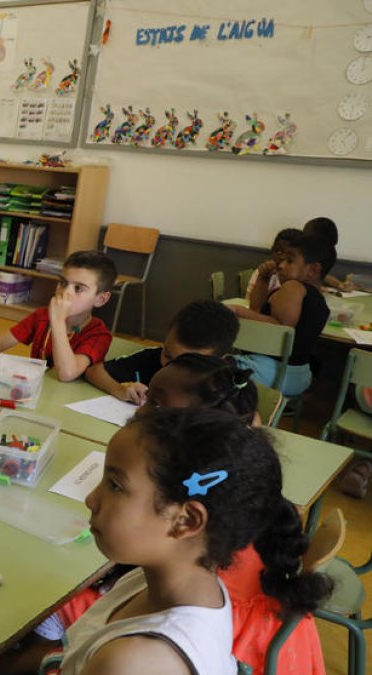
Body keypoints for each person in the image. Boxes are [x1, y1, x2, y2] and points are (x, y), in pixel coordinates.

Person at [44, 408, 331, 675]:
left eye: (115, 485)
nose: (91, 499)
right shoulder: (172, 581)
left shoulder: (135, 662)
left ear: (186, 521)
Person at [0, 251, 116, 382]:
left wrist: (58, 321)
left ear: (101, 299)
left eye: (78, 288)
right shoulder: (41, 316)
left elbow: (67, 373)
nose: (65, 292)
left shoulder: (99, 335)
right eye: (63, 283)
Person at [231, 230, 333, 396]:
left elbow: (281, 328)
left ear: (312, 270)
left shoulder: (293, 287)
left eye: (290, 260)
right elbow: (257, 311)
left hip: (272, 371)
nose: (280, 264)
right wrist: (263, 279)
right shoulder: (319, 300)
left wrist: (236, 310)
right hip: (298, 374)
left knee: (206, 367)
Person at [86, 300, 239, 405]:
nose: (170, 368)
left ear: (218, 361)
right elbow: (94, 371)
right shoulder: (151, 359)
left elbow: (252, 422)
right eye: (167, 354)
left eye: (187, 364)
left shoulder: (227, 383)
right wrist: (119, 389)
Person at [244, 227, 299, 304]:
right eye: (279, 252)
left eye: (290, 256)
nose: (282, 257)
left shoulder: (300, 280)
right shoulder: (264, 271)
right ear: (272, 251)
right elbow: (251, 304)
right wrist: (263, 278)